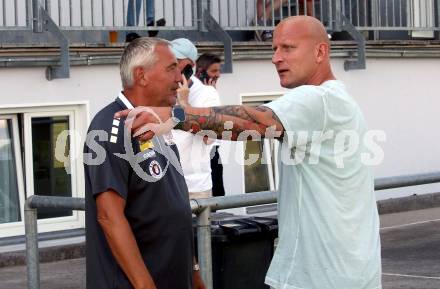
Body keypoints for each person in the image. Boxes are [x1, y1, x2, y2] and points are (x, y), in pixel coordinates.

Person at [116, 16, 382, 289]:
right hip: (343, 273)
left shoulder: (319, 100)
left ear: (320, 52)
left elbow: (255, 122)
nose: (276, 58)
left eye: (288, 48)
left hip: (325, 278)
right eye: (274, 49)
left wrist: (172, 116)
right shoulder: (332, 101)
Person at [84, 37, 205, 289]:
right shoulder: (110, 127)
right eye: (171, 68)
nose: (179, 78)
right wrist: (144, 285)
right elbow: (109, 215)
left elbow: (175, 205)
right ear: (141, 75)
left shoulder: (156, 124)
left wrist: (193, 273)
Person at [170, 39, 221, 199]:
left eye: (177, 61)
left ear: (189, 66)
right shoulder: (164, 91)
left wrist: (184, 104)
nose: (172, 66)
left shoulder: (208, 94)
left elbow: (208, 138)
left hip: (194, 186)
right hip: (166, 183)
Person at [195, 53, 225, 197]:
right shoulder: (208, 93)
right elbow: (210, 135)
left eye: (219, 71)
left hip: (206, 153)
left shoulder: (195, 90)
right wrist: (213, 93)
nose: (218, 75)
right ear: (200, 72)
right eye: (214, 71)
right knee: (216, 198)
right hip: (208, 153)